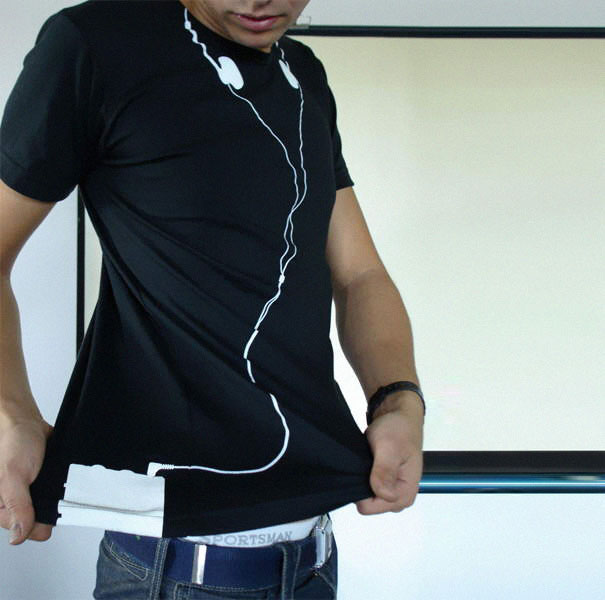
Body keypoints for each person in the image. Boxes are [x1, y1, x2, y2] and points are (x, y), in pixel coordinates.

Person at [0, 0, 425, 598]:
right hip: (175, 568)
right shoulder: (93, 45)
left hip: (314, 556)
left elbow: (360, 274)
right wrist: (12, 412)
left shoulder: (303, 74)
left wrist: (398, 400)